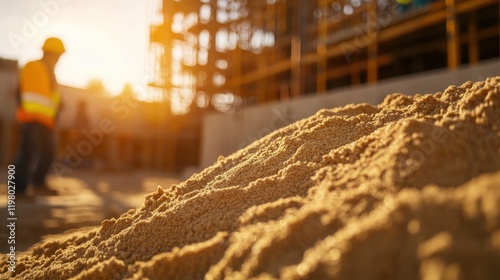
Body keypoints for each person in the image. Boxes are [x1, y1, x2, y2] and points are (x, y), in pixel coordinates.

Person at [14, 37, 66, 196]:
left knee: (49, 152)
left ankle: (38, 184)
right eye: (57, 56)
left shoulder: (51, 73)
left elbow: (52, 97)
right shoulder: (33, 66)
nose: (58, 60)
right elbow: (21, 91)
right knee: (28, 151)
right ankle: (18, 189)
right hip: (33, 118)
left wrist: (58, 107)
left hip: (47, 121)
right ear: (49, 53)